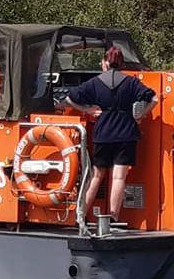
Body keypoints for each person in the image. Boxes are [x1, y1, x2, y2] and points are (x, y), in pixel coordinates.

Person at [64, 45, 156, 230]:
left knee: (97, 175)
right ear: (121, 63)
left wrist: (86, 110)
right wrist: (141, 114)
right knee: (119, 177)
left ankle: (80, 214)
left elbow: (69, 98)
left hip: (103, 131)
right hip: (126, 131)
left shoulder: (95, 82)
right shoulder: (131, 82)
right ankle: (113, 217)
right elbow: (153, 98)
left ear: (105, 63)